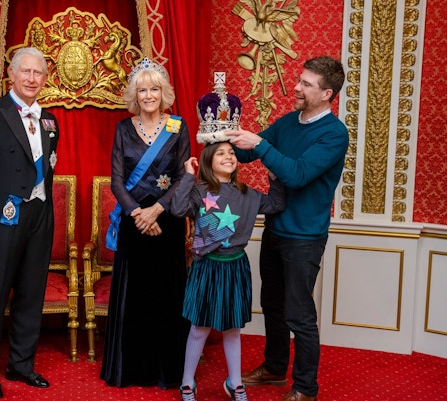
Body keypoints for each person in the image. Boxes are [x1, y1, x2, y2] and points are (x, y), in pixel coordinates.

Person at [227, 55, 348, 401]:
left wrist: (260, 145)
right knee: (273, 305)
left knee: (299, 314)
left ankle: (306, 389)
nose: (296, 87)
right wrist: (222, 135)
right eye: (299, 80)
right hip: (276, 229)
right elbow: (248, 153)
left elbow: (297, 174)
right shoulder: (288, 122)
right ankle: (274, 368)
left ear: (326, 94)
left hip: (305, 237)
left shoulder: (334, 134)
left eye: (306, 84)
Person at [0, 47, 59, 400]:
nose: (32, 79)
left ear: (45, 78)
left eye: (38, 73)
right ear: (12, 74)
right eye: (26, 72)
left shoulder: (50, 120)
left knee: (31, 293)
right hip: (5, 216)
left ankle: (21, 364)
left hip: (40, 214)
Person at [100, 57, 191, 389]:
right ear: (134, 95)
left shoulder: (177, 127)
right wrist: (138, 213)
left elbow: (184, 177)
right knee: (135, 297)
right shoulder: (123, 129)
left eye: (154, 89)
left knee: (165, 295)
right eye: (142, 90)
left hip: (167, 223)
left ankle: (165, 370)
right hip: (133, 222)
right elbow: (116, 179)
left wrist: (157, 210)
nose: (149, 95)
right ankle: (131, 369)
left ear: (163, 93)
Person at [171, 136, 285, 401]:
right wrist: (187, 176)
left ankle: (235, 383)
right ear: (208, 160)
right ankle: (187, 382)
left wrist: (275, 177)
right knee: (199, 327)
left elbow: (276, 204)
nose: (229, 157)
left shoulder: (248, 194)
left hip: (235, 267)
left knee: (232, 328)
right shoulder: (200, 191)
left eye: (231, 153)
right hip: (206, 267)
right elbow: (177, 209)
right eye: (221, 153)